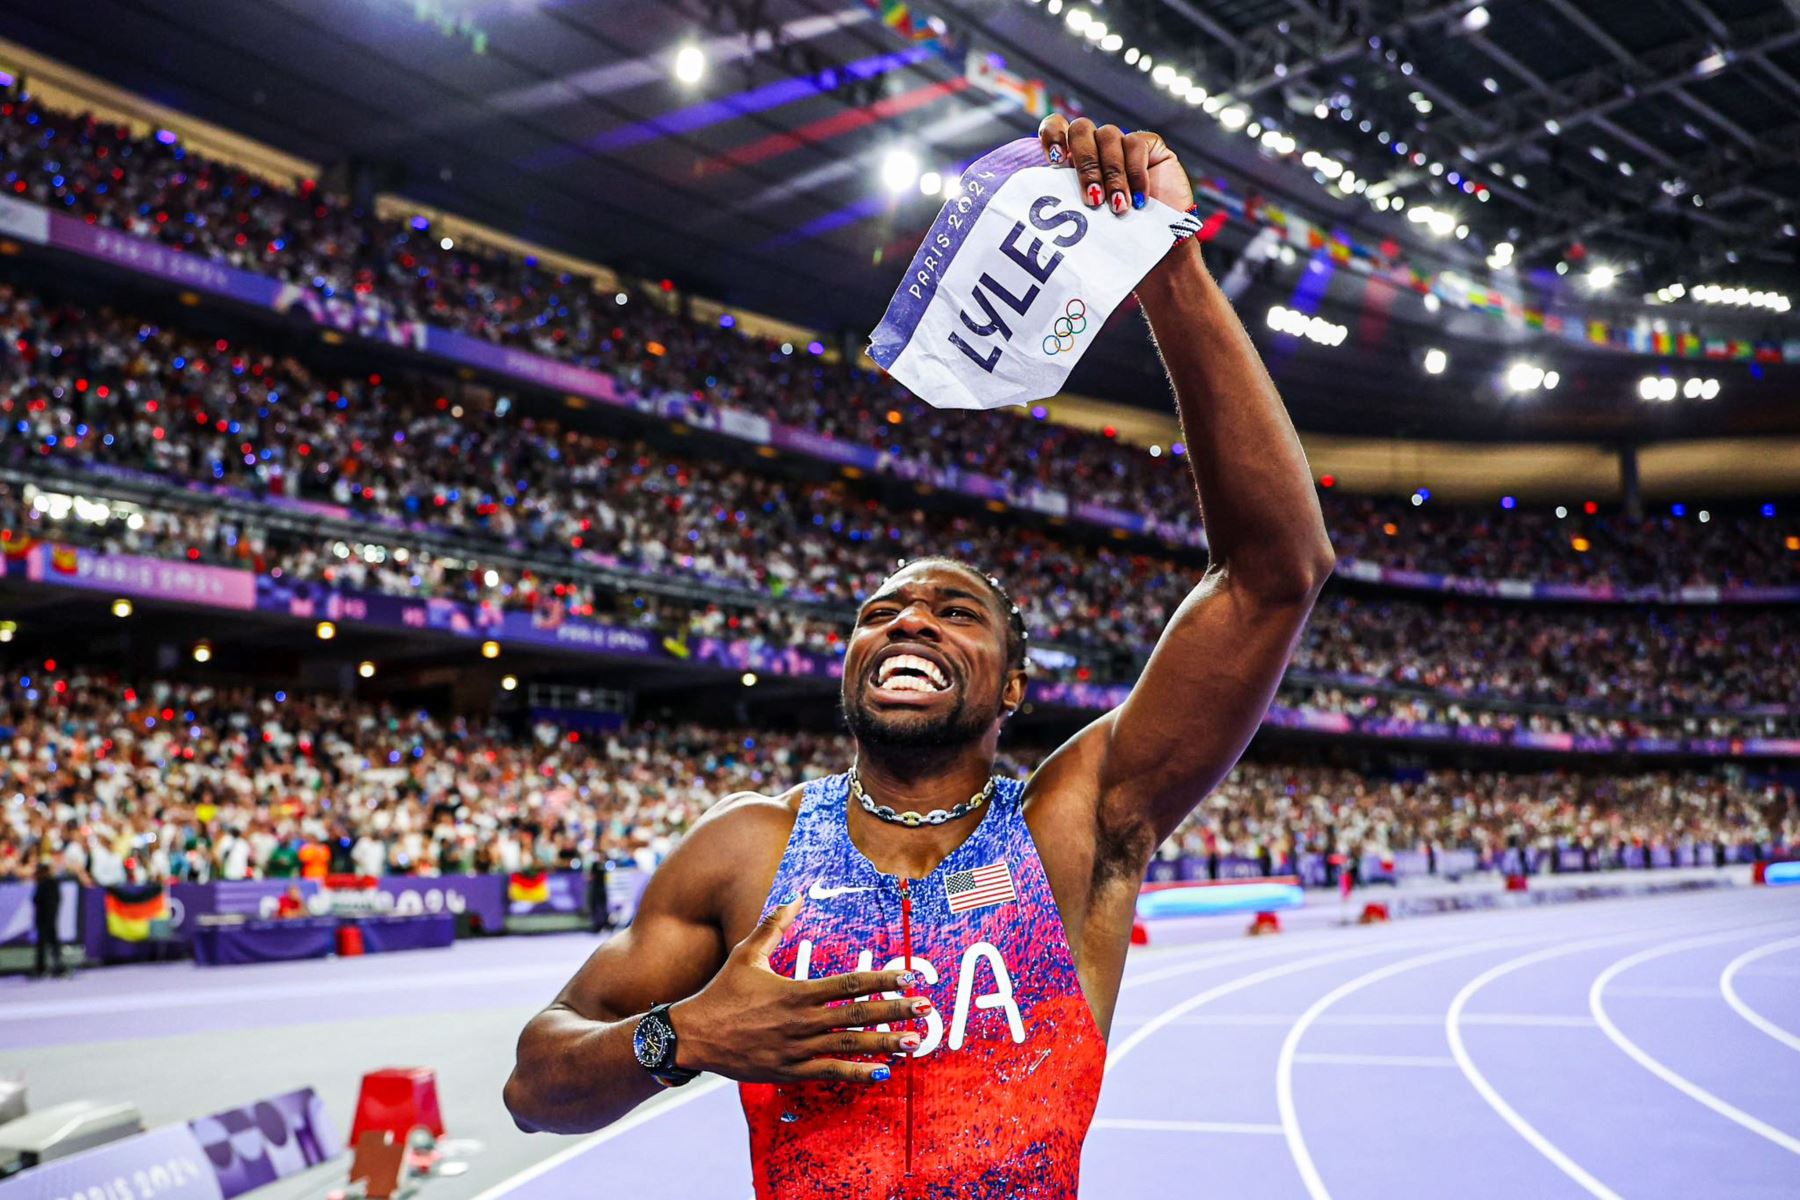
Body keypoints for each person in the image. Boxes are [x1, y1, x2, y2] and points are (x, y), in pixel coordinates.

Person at [502, 116, 1334, 1198]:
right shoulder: (745, 852)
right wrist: (683, 1036)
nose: (908, 623)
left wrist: (1168, 263)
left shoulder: (1077, 824)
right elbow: (534, 1080)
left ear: (1013, 685)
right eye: (882, 611)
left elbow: (1276, 572)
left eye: (955, 613)